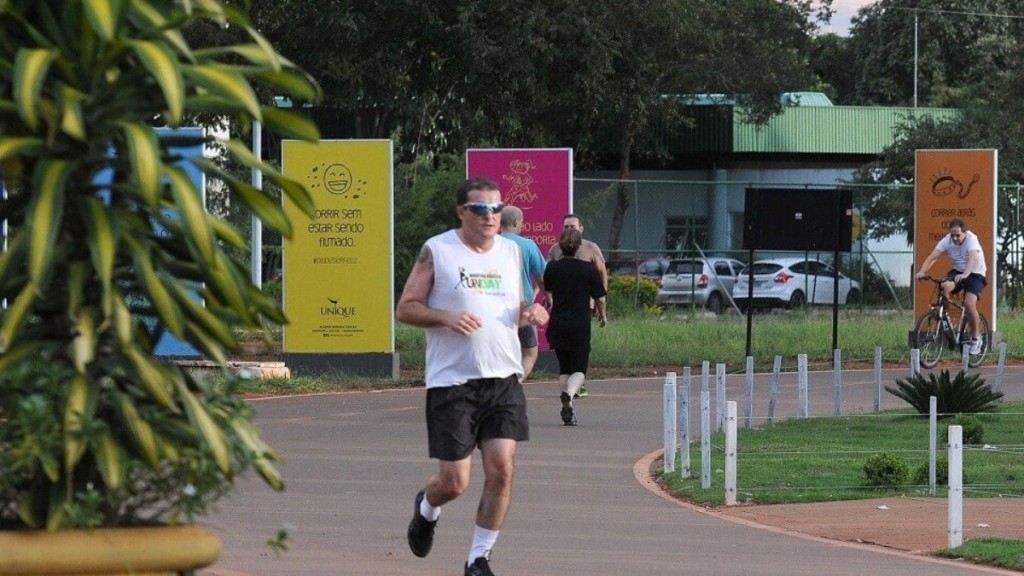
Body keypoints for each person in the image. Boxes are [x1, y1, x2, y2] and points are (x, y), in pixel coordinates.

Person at [396, 177, 549, 576]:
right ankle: (426, 509)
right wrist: (445, 316)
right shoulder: (438, 250)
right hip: (453, 383)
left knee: (502, 469)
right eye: (481, 209)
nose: (490, 217)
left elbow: (512, 305)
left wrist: (529, 312)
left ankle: (478, 558)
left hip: (503, 378)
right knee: (455, 482)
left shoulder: (510, 253)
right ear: (462, 212)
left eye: (496, 209)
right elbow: (406, 308)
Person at [543, 227, 607, 426]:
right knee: (579, 369)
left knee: (564, 368)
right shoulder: (587, 269)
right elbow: (600, 297)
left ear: (560, 246)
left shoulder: (553, 267)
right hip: (580, 323)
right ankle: (569, 395)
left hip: (558, 322)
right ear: (579, 246)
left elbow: (548, 290)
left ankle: (568, 402)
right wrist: (602, 315)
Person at [915, 218, 987, 354]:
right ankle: (946, 318)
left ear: (964, 233)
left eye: (958, 235)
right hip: (958, 271)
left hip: (975, 273)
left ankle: (976, 338)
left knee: (969, 303)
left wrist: (966, 274)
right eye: (952, 235)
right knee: (944, 285)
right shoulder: (947, 240)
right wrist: (922, 271)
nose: (955, 238)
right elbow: (932, 257)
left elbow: (972, 258)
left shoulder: (972, 239)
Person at [500, 205, 547, 381]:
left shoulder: (490, 244)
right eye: (522, 222)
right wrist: (548, 296)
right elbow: (542, 277)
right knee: (529, 352)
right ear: (516, 222)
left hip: (495, 309)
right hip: (522, 308)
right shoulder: (528, 245)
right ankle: (513, 384)